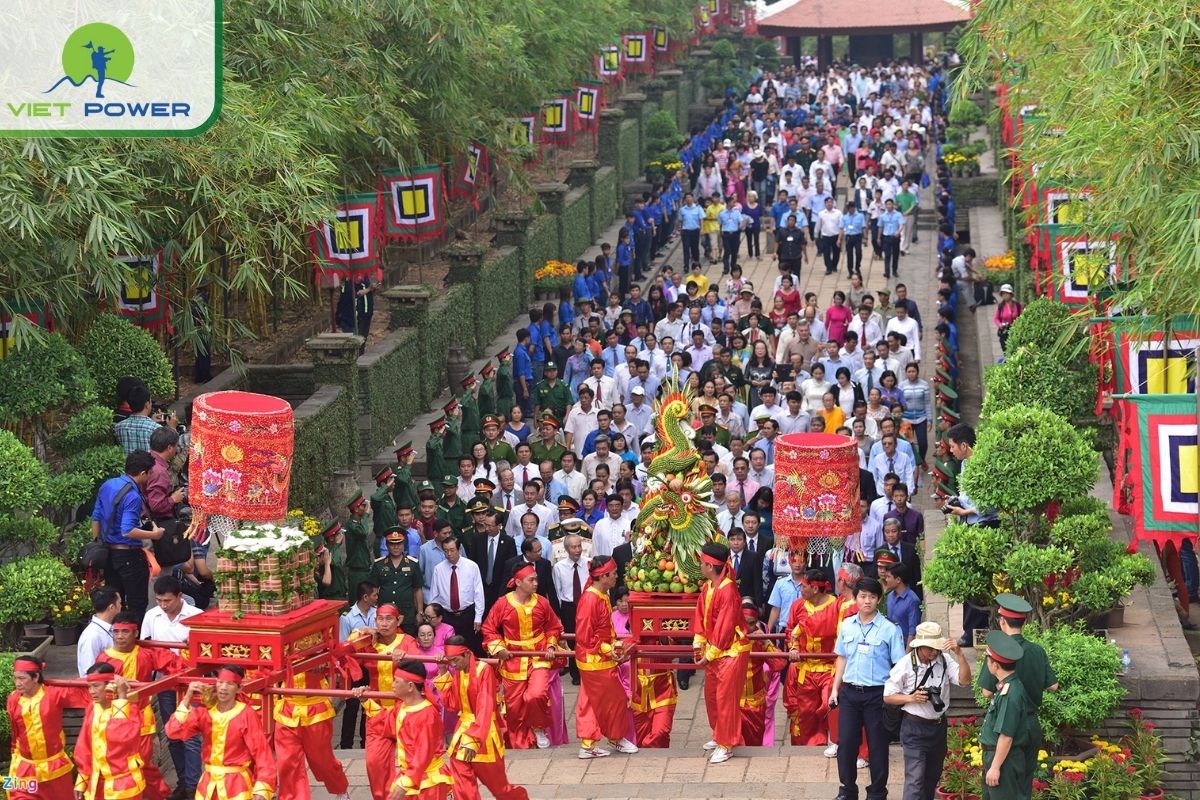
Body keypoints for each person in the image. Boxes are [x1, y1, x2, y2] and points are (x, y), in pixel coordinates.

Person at [830, 576, 906, 800]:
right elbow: (842, 657)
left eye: (872, 597)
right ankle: (847, 790)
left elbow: (899, 666)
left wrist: (894, 696)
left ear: (878, 600)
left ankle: (877, 793)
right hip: (850, 693)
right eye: (862, 596)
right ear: (855, 598)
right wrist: (835, 689)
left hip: (877, 695)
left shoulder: (890, 629)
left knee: (878, 746)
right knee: (845, 744)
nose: (867, 601)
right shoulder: (847, 625)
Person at [977, 593, 1059, 794]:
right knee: (1023, 785)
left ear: (1002, 621)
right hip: (1031, 723)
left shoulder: (999, 652)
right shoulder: (1037, 651)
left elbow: (986, 692)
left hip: (1008, 725)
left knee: (1005, 785)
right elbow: (1053, 686)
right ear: (1024, 621)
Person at [95, 610, 179, 800]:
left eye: (125, 632)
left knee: (142, 763)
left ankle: (157, 795)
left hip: (141, 719)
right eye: (116, 632)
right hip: (113, 720)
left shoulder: (146, 654)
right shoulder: (104, 658)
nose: (120, 636)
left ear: (135, 633)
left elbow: (176, 665)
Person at [481, 562, 566, 749]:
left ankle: (538, 728)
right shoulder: (503, 603)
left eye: (536, 579)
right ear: (518, 582)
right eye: (531, 580)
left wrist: (551, 646)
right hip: (513, 658)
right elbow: (488, 628)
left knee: (536, 695)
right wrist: (498, 648)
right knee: (514, 706)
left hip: (539, 656)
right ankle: (517, 739)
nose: (536, 583)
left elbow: (554, 627)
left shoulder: (542, 602)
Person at [884, 621, 972, 800]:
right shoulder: (906, 663)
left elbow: (965, 681)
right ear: (920, 646)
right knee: (915, 780)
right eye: (931, 648)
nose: (934, 652)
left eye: (937, 648)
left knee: (931, 778)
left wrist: (960, 654)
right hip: (914, 727)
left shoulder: (944, 660)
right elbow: (888, 696)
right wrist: (911, 698)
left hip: (938, 727)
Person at [437, 638, 530, 800]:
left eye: (455, 660)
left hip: (483, 734)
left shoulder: (484, 670)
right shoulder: (459, 673)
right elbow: (452, 703)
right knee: (462, 785)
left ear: (466, 654)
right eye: (450, 661)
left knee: (500, 789)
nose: (454, 665)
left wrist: (474, 739)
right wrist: (443, 671)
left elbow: (485, 706)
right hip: (462, 733)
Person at [167, 667, 276, 800]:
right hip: (208, 785)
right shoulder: (204, 713)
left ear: (239, 689)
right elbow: (173, 731)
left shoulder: (247, 714)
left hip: (236, 785)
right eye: (220, 682)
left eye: (229, 684)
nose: (223, 687)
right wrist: (188, 697)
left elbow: (262, 753)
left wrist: (262, 789)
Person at [140, 576, 203, 800]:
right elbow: (146, 650)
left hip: (191, 685)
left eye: (167, 600)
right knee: (173, 734)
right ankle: (183, 782)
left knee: (192, 736)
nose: (163, 605)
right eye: (159, 600)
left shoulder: (197, 617)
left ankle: (195, 786)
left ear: (179, 596)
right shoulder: (151, 616)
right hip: (165, 684)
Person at [573, 556, 639, 758]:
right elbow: (585, 636)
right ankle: (615, 737)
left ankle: (589, 743)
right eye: (614, 573)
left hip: (597, 658)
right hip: (594, 660)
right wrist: (607, 649)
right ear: (603, 576)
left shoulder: (599, 595)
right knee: (616, 699)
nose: (616, 577)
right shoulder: (591, 599)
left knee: (591, 701)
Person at [359, 659, 453, 800]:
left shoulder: (427, 715)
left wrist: (405, 783)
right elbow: (386, 720)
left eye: (396, 681)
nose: (392, 685)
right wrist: (365, 701)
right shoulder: (402, 706)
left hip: (427, 781)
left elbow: (423, 754)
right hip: (412, 776)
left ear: (410, 686)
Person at [692, 541, 751, 764]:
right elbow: (701, 615)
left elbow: (725, 627)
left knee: (726, 699)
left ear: (709, 565)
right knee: (711, 695)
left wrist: (710, 653)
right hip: (715, 651)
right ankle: (719, 734)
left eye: (701, 562)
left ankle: (726, 744)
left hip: (731, 651)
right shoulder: (708, 587)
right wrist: (698, 642)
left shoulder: (727, 591)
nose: (700, 565)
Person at [90, 449, 164, 621]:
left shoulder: (108, 485)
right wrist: (155, 535)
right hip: (129, 555)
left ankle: (115, 639)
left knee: (114, 602)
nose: (150, 477)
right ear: (143, 473)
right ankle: (132, 639)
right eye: (150, 473)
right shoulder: (132, 496)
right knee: (137, 603)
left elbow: (96, 518)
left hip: (109, 553)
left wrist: (97, 543)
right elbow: (128, 530)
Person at [6, 655, 87, 800]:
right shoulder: (13, 699)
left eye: (22, 678)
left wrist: (111, 686)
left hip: (55, 766)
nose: (17, 683)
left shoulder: (54, 693)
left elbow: (88, 694)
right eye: (15, 678)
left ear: (36, 677)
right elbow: (15, 733)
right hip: (25, 768)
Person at [783, 570, 842, 748]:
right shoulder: (797, 606)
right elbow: (789, 631)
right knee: (806, 712)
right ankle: (810, 747)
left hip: (829, 668)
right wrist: (793, 648)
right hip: (805, 668)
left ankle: (834, 741)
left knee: (829, 704)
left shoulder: (837, 606)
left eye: (804, 586)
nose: (801, 589)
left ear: (815, 589)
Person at [73, 666, 146, 800]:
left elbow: (120, 737)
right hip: (97, 785)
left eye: (95, 686)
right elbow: (85, 747)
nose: (91, 691)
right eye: (89, 687)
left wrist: (122, 697)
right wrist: (81, 781)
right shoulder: (93, 708)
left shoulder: (131, 709)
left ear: (110, 686)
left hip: (124, 786)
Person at [979, 632, 1036, 800]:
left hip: (1004, 760)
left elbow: (1006, 735)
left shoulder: (1010, 693)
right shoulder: (1007, 687)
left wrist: (995, 767)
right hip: (1000, 757)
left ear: (995, 665)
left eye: (988, 660)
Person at [430, 536, 486, 655]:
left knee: (471, 648)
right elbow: (434, 595)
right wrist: (433, 615)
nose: (449, 554)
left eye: (452, 550)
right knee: (450, 648)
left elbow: (478, 593)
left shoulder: (471, 566)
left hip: (467, 613)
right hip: (447, 615)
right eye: (445, 550)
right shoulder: (438, 569)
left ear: (459, 549)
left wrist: (478, 617)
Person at [370, 528, 424, 635]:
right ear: (387, 545)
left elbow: (417, 590)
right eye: (392, 544)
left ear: (404, 544)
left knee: (408, 644)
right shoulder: (379, 564)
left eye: (399, 543)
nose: (396, 547)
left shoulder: (412, 564)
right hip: (385, 616)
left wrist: (419, 612)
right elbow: (374, 590)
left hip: (407, 615)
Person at [78, 586, 121, 677]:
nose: (121, 607)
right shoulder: (92, 636)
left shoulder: (112, 628)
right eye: (120, 603)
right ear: (112, 607)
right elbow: (89, 673)